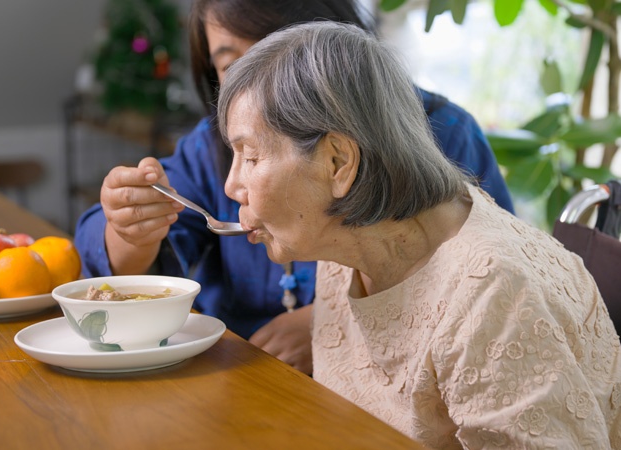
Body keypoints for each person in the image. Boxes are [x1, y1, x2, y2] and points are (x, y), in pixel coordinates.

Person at [217, 21, 621, 449]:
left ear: (337, 164)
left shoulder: (494, 295)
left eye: (251, 156)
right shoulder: (346, 239)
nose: (231, 185)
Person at [74, 0, 515, 375]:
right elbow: (114, 266)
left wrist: (336, 322)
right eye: (232, 65)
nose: (254, 84)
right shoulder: (209, 150)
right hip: (237, 382)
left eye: (276, 53)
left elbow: (485, 288)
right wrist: (131, 227)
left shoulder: (443, 134)